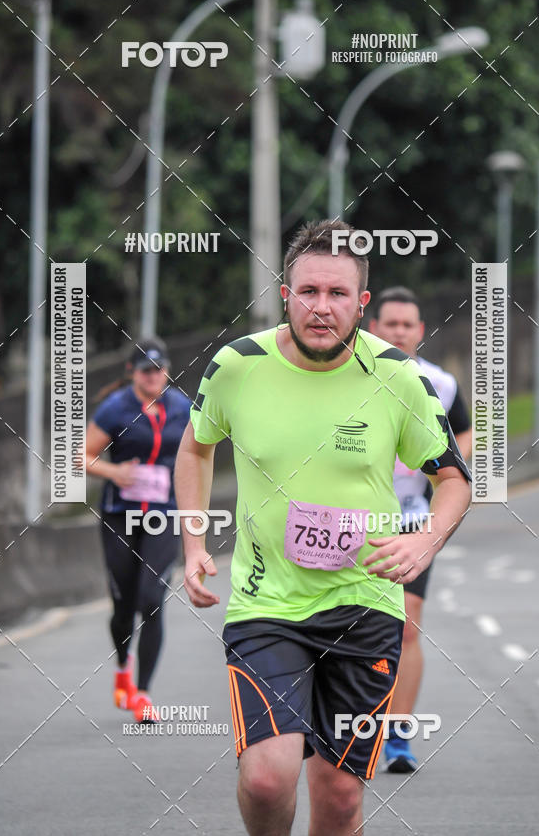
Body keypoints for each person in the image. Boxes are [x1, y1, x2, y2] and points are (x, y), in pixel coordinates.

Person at [174, 220, 471, 836]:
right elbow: (195, 448)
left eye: (338, 295)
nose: (321, 308)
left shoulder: (398, 377)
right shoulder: (238, 366)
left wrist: (426, 538)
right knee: (265, 778)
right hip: (267, 603)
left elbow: (454, 478)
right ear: (285, 292)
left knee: (338, 799)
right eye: (308, 291)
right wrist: (196, 542)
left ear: (361, 304)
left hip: (364, 605)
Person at [369, 286, 472, 773]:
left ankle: (398, 736)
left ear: (420, 331)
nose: (399, 332)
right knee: (357, 630)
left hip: (412, 520)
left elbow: (466, 432)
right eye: (391, 324)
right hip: (353, 522)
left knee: (407, 628)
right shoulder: (350, 377)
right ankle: (352, 726)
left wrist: (443, 463)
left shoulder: (441, 384)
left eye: (408, 325)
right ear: (374, 327)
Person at [85, 337, 191, 723]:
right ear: (133, 371)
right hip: (120, 514)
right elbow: (81, 455)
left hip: (163, 514)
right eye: (146, 369)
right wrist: (115, 472)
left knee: (151, 598)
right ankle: (122, 666)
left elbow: (200, 452)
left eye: (160, 369)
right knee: (123, 602)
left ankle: (143, 694)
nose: (154, 376)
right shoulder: (116, 408)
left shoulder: (182, 407)